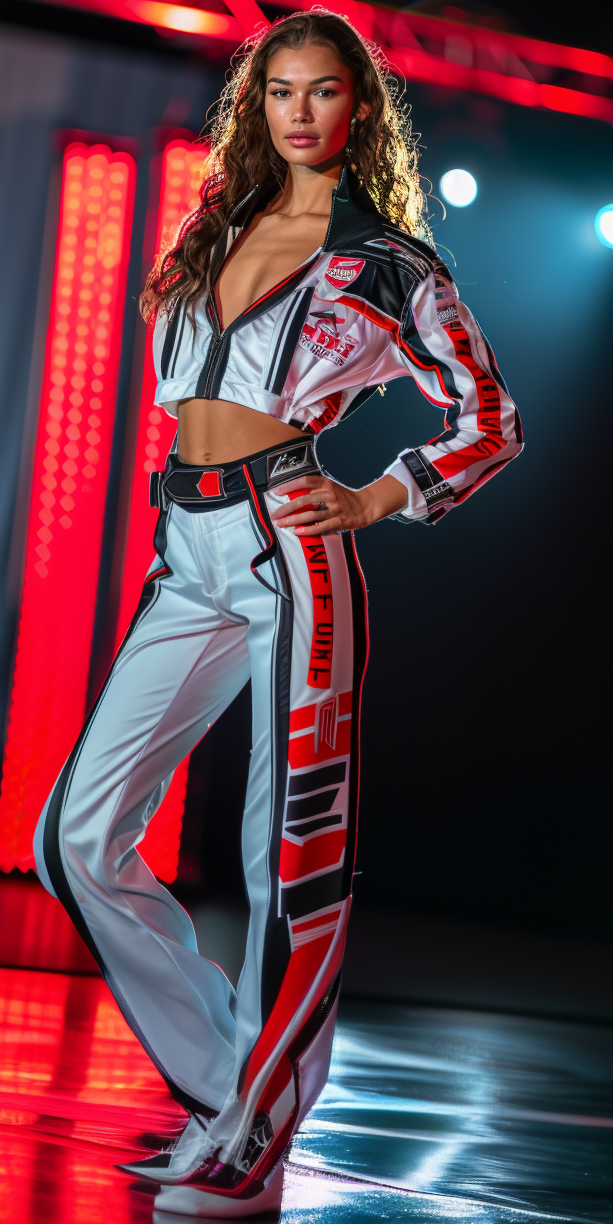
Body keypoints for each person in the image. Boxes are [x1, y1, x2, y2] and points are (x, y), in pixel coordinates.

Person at [33, 9, 522, 1217]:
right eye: (280, 91)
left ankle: (259, 1140)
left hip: (289, 550)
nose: (300, 111)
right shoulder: (214, 231)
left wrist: (377, 495)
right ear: (258, 106)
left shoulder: (391, 265)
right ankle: (227, 1094)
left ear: (360, 112)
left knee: (287, 858)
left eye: (324, 92)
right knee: (72, 840)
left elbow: (490, 420)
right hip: (182, 546)